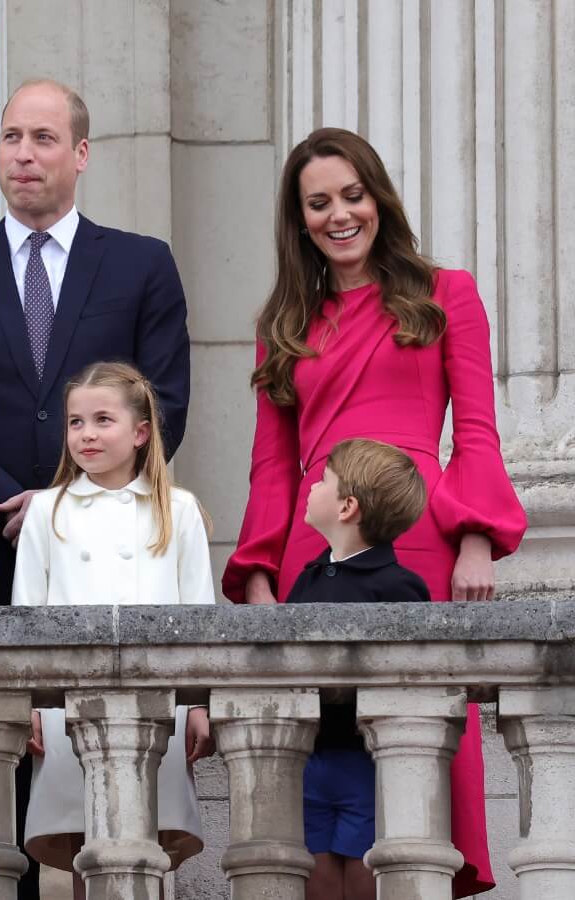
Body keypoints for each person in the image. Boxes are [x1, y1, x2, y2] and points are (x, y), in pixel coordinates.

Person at [222, 127, 527, 896]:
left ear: (378, 199)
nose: (339, 215)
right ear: (299, 221)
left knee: (415, 763)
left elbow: (477, 432)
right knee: (321, 779)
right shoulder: (283, 324)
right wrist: (258, 573)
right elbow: (270, 464)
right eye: (318, 203)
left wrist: (476, 539)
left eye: (352, 196)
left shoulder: (446, 293)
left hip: (418, 541)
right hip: (313, 554)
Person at [0, 78, 192, 896]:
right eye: (11, 138)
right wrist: (17, 502)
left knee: (108, 799)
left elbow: (163, 402)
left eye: (42, 139)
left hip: (111, 561)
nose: (23, 156)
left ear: (81, 153)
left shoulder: (140, 264)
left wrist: (65, 501)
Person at [12, 361, 212, 899]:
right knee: (85, 843)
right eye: (76, 422)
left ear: (141, 432)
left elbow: (200, 614)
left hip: (158, 701)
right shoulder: (47, 510)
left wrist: (198, 703)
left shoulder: (179, 509)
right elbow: (26, 615)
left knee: (150, 839)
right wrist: (29, 701)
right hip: (68, 706)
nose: (87, 434)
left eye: (103, 420)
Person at [288, 438, 430, 900]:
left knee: (367, 877)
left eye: (323, 480)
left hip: (367, 762)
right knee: (315, 878)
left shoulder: (399, 587)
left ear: (347, 507)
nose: (312, 486)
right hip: (309, 757)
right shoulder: (308, 578)